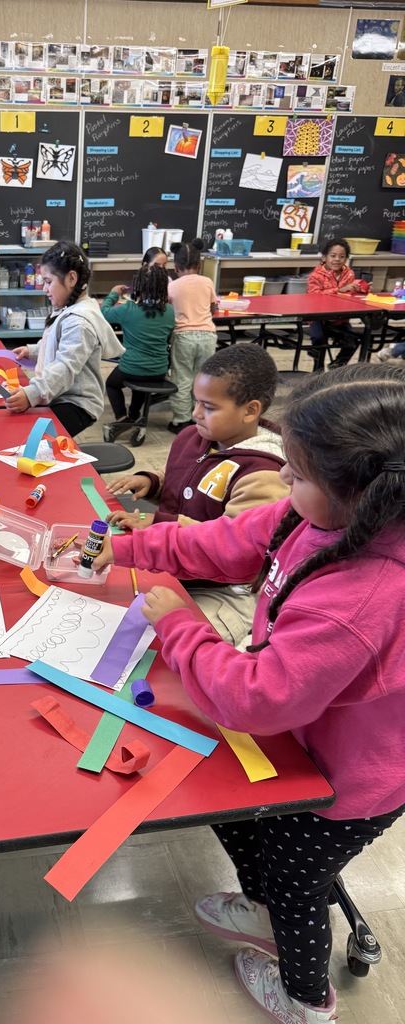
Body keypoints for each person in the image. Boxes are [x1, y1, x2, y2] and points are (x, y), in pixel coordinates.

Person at [91, 362, 405, 1024]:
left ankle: (305, 1001)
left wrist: (177, 622)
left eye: (297, 471)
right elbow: (223, 542)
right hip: (293, 736)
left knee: (297, 886)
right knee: (234, 810)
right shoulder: (309, 514)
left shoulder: (367, 589)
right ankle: (258, 901)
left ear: (362, 492)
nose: (282, 480)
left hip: (346, 783)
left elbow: (260, 697)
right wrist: (129, 548)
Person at [106, 343, 288, 645]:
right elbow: (191, 484)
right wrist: (153, 483)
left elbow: (231, 547)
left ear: (250, 410)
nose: (196, 413)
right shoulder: (196, 436)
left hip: (224, 591)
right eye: (196, 402)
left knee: (155, 648)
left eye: (210, 407)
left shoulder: (264, 474)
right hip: (174, 565)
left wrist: (158, 523)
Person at [9, 240, 124, 437]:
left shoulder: (79, 322)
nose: (44, 289)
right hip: (62, 395)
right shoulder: (70, 309)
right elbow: (58, 344)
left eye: (48, 281)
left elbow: (64, 367)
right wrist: (33, 351)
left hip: (77, 404)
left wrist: (31, 394)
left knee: (31, 437)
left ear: (71, 278)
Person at [101, 263, 175, 436]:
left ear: (138, 287)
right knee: (142, 382)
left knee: (111, 384)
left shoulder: (128, 309)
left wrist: (114, 293)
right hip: (158, 370)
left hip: (131, 367)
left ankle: (122, 418)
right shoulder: (170, 311)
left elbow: (103, 312)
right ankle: (134, 415)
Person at [166, 239, 218, 432]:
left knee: (182, 378)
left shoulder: (172, 287)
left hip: (183, 335)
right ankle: (202, 417)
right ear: (200, 265)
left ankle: (181, 420)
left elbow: (169, 312)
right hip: (207, 335)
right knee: (203, 378)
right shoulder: (207, 282)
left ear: (175, 267)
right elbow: (212, 309)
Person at [306, 237, 363, 371]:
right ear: (324, 257)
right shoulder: (315, 276)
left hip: (340, 319)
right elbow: (314, 295)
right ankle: (317, 370)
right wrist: (339, 290)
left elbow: (350, 294)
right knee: (319, 339)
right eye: (333, 256)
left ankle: (337, 366)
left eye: (342, 256)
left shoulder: (349, 274)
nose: (337, 259)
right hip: (318, 318)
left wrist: (360, 288)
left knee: (353, 340)